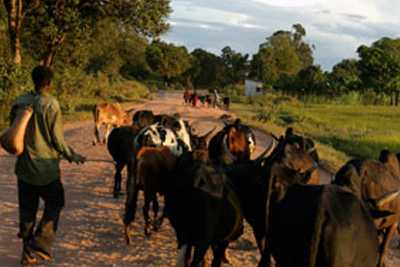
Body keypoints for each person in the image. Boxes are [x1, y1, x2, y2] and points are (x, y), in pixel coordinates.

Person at [10, 66, 86, 265]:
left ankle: (27, 254)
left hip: (24, 168)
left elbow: (13, 132)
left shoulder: (20, 101)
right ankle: (41, 242)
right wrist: (72, 155)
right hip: (47, 170)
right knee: (55, 203)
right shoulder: (51, 104)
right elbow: (57, 140)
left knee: (27, 211)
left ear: (33, 80)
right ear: (50, 83)